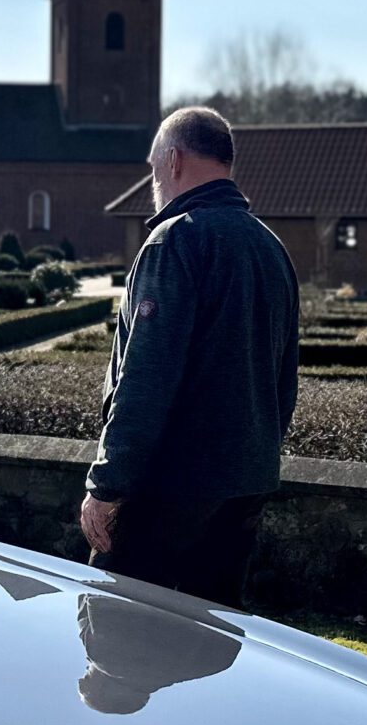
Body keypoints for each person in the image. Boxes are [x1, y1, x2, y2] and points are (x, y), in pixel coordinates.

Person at [79, 106, 298, 605]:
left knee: (115, 627)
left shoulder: (174, 240)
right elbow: (284, 381)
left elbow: (146, 378)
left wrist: (106, 485)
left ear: (174, 160)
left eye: (154, 166)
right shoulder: (271, 247)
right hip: (244, 483)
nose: (154, 180)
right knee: (214, 632)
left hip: (168, 485)